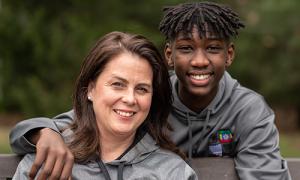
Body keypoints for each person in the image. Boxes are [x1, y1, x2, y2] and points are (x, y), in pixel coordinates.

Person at [10, 2, 291, 180]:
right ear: (169, 55)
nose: (199, 60)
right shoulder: (153, 93)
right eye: (186, 48)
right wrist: (43, 133)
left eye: (213, 48)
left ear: (229, 55)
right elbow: (79, 121)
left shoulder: (248, 110)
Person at [12, 31, 197, 180]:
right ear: (90, 89)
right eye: (118, 84)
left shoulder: (173, 172)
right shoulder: (50, 161)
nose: (130, 99)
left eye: (141, 89)